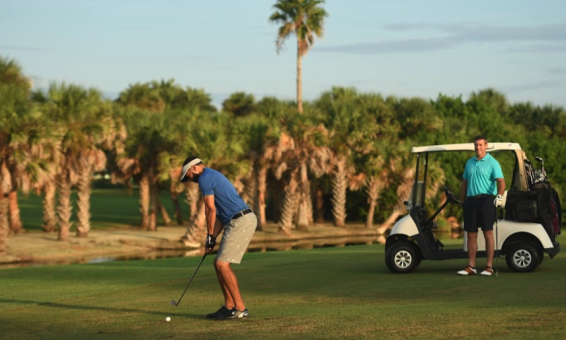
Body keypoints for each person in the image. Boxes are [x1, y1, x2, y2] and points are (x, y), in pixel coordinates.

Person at [179, 156, 257, 319]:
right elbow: (221, 216)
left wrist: (208, 235)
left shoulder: (205, 178)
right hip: (235, 220)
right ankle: (229, 307)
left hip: (241, 220)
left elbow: (210, 210)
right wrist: (212, 238)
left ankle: (240, 309)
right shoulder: (211, 175)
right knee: (218, 264)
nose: (190, 180)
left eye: (189, 176)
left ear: (194, 168)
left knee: (222, 264)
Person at [458, 135, 506, 276]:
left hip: (486, 200)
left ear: (486, 145)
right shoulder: (469, 163)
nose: (478, 147)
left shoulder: (493, 162)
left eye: (480, 145)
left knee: (487, 233)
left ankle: (489, 267)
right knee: (471, 234)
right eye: (476, 145)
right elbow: (464, 183)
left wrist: (499, 196)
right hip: (471, 201)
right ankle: (471, 266)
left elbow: (501, 182)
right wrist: (462, 200)